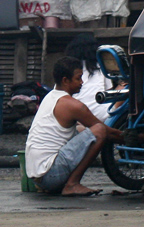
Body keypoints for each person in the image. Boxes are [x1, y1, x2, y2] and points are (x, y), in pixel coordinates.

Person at [25, 56, 124, 195]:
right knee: (99, 130)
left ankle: (66, 184)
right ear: (65, 80)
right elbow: (108, 132)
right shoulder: (72, 105)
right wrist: (136, 138)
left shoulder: (51, 96)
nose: (82, 82)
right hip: (50, 175)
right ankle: (72, 184)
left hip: (38, 177)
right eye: (78, 78)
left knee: (82, 129)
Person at [63, 33, 112, 122]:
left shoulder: (67, 69)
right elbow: (109, 91)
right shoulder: (101, 68)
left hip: (74, 117)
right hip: (100, 116)